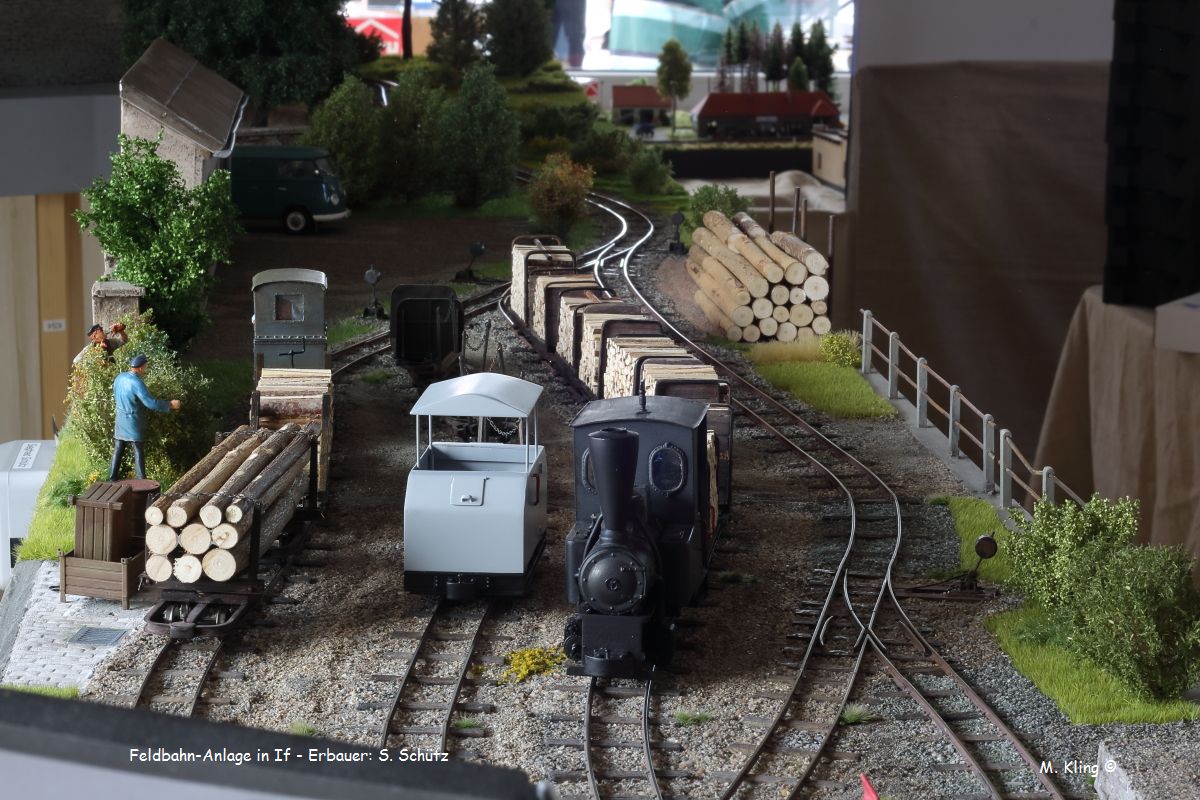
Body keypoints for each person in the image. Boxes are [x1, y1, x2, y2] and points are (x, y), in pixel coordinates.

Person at [108, 354, 181, 481]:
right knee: (138, 449)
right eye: (145, 367)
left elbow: (115, 394)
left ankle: (111, 478)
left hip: (120, 418)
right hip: (133, 421)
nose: (145, 370)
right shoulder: (137, 382)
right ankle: (141, 481)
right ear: (140, 368)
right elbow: (150, 403)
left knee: (118, 447)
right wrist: (170, 404)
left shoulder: (119, 377)